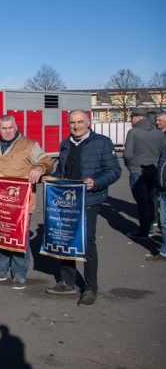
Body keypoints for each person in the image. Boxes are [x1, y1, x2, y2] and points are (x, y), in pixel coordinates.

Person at [45, 110, 121, 307]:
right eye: (72, 123)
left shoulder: (102, 142)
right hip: (66, 201)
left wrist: (95, 182)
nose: (76, 126)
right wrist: (52, 177)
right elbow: (62, 170)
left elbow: (114, 171)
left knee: (87, 243)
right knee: (66, 239)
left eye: (80, 122)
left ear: (88, 123)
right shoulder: (65, 143)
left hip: (89, 199)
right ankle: (67, 281)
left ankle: (91, 287)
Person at [0, 115, 54, 290]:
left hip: (20, 202)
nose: (8, 131)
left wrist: (39, 168)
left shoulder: (29, 144)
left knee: (19, 237)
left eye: (10, 127)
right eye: (4, 128)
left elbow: (46, 160)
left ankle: (19, 273)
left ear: (15, 126)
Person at [123, 108, 166, 238]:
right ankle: (152, 226)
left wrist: (129, 166)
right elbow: (162, 152)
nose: (131, 121)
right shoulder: (159, 133)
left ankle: (144, 231)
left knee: (142, 202)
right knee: (152, 199)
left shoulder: (133, 132)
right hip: (154, 170)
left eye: (132, 118)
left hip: (137, 170)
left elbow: (127, 154)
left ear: (138, 118)